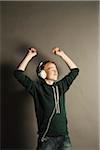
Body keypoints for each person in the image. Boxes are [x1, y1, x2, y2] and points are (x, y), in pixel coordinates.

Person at [14, 47, 79, 150]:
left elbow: (75, 71)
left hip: (64, 138)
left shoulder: (61, 86)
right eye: (51, 69)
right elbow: (18, 74)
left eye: (56, 69)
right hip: (47, 139)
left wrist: (62, 54)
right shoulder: (36, 88)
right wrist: (29, 56)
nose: (55, 71)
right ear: (42, 74)